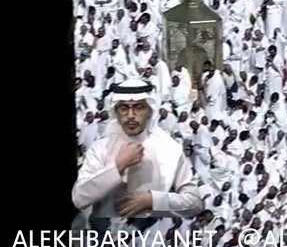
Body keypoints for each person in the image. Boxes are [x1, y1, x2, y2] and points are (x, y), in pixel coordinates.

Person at [72, 79, 204, 223]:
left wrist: (152, 200)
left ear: (150, 111)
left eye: (139, 107)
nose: (130, 115)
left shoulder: (170, 149)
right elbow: (79, 198)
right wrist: (118, 166)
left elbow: (194, 203)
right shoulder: (100, 148)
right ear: (116, 112)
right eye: (123, 108)